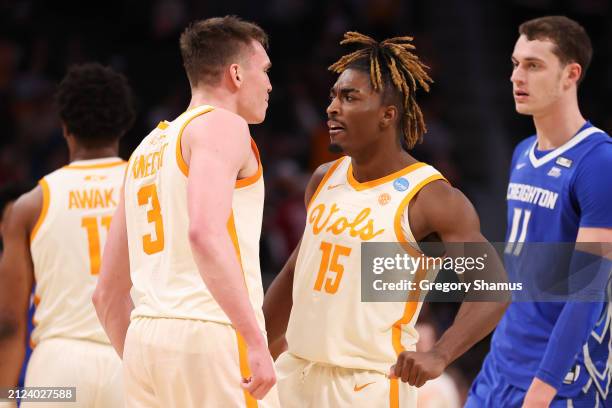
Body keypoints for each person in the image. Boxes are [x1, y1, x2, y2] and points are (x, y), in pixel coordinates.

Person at [263, 31, 508, 408]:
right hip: (296, 374)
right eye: (332, 96)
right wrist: (255, 344)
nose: (331, 107)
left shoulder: (432, 197)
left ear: (387, 115)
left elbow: (492, 290)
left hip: (368, 386)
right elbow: (297, 272)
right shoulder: (323, 177)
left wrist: (440, 353)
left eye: (349, 97)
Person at [92, 16, 280, 408]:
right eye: (263, 70)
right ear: (236, 74)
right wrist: (254, 341)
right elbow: (205, 233)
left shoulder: (145, 148)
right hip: (210, 332)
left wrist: (148, 362)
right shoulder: (222, 125)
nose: (269, 83)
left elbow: (106, 294)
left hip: (145, 338)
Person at [466, 16, 612, 407]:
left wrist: (542, 391)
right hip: (500, 366)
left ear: (571, 74)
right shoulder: (522, 154)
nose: (518, 76)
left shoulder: (599, 162)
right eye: (515, 63)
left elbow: (588, 291)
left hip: (559, 381)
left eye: (534, 65)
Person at [0, 63, 135, 408]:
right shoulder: (148, 189)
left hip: (58, 373)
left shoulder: (30, 205)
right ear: (124, 124)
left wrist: (4, 399)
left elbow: (10, 321)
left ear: (64, 127)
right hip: (131, 359)